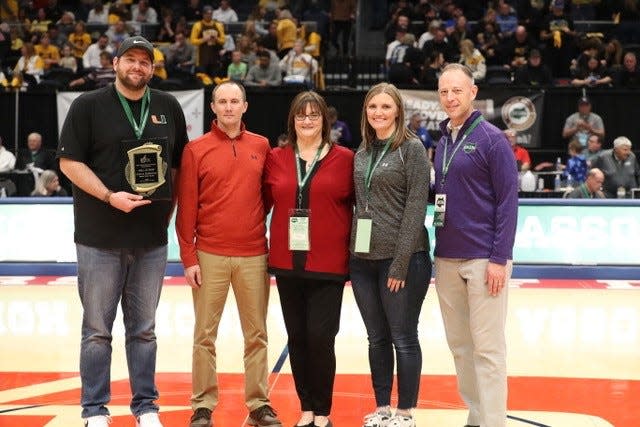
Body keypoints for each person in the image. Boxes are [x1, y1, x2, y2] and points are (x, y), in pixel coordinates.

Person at [57, 35, 188, 427]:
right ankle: (94, 410)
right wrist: (109, 196)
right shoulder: (88, 105)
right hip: (99, 238)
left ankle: (145, 407)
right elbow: (69, 163)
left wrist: (167, 216)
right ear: (114, 63)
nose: (137, 67)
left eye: (144, 62)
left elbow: (178, 168)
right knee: (97, 330)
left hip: (150, 240)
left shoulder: (167, 105)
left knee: (144, 331)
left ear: (152, 67)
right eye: (130, 59)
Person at [175, 81, 282, 427]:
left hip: (254, 254)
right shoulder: (195, 149)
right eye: (222, 101)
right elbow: (186, 209)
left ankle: (259, 404)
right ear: (213, 108)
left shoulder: (262, 146)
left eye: (235, 101)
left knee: (257, 334)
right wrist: (189, 257)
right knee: (204, 334)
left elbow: (267, 197)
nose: (229, 107)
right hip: (209, 255)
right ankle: (202, 405)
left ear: (245, 106)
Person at [263, 91, 354, 427]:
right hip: (287, 264)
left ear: (325, 121)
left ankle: (324, 411)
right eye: (301, 115)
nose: (307, 120)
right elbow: (261, 203)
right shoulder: (276, 158)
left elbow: (362, 210)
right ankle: (306, 408)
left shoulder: (345, 159)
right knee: (297, 337)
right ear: (292, 120)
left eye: (314, 114)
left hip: (329, 265)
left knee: (320, 336)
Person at [434, 63, 518, 427]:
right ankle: (478, 414)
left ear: (473, 92)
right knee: (461, 348)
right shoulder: (442, 140)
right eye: (443, 92)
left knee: (488, 350)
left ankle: (494, 422)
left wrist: (500, 258)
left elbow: (508, 201)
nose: (450, 98)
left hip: (484, 259)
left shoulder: (492, 139)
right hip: (447, 257)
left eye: (457, 90)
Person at [350, 82, 431, 427]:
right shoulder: (362, 152)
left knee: (403, 336)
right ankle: (382, 407)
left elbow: (415, 208)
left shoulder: (411, 149)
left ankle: (406, 412)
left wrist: (399, 263)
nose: (378, 113)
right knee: (376, 337)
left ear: (397, 110)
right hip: (363, 260)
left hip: (404, 260)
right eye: (372, 107)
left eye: (385, 107)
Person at [189, 6, 225, 78]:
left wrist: (216, 39)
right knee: (203, 79)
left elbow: (223, 41)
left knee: (215, 79)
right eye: (207, 14)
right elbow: (192, 41)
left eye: (210, 14)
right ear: (203, 14)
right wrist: (204, 39)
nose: (209, 15)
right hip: (202, 58)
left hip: (215, 58)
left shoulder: (218, 25)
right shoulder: (197, 25)